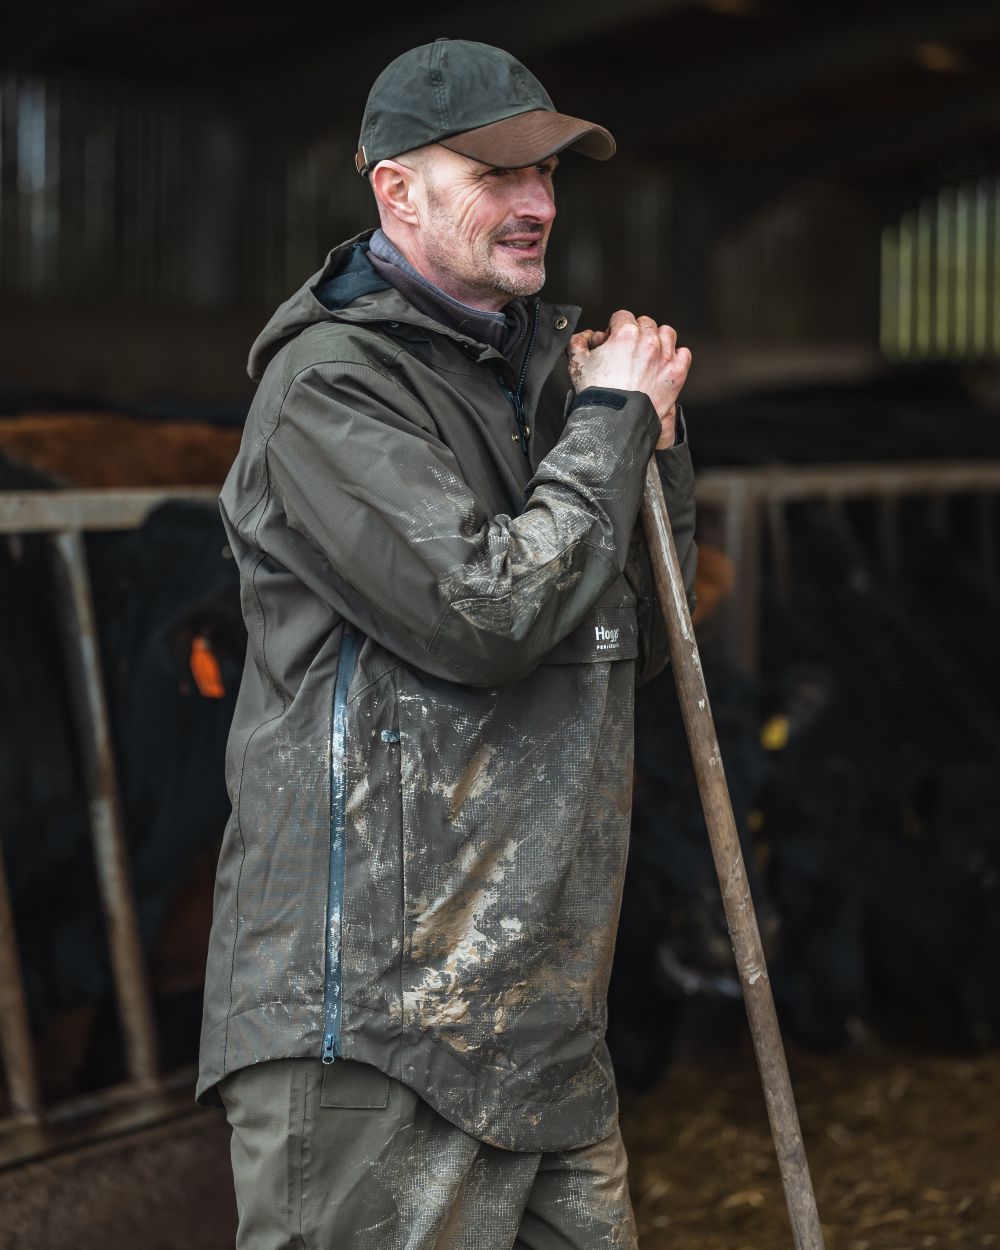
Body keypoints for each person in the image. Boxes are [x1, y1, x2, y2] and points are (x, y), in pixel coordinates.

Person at [199, 37, 696, 1250]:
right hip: (381, 1020)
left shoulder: (534, 381)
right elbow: (485, 618)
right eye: (495, 173)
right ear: (394, 191)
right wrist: (610, 425)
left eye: (547, 174)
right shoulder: (330, 390)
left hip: (537, 1010)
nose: (536, 203)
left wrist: (650, 443)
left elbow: (636, 628)